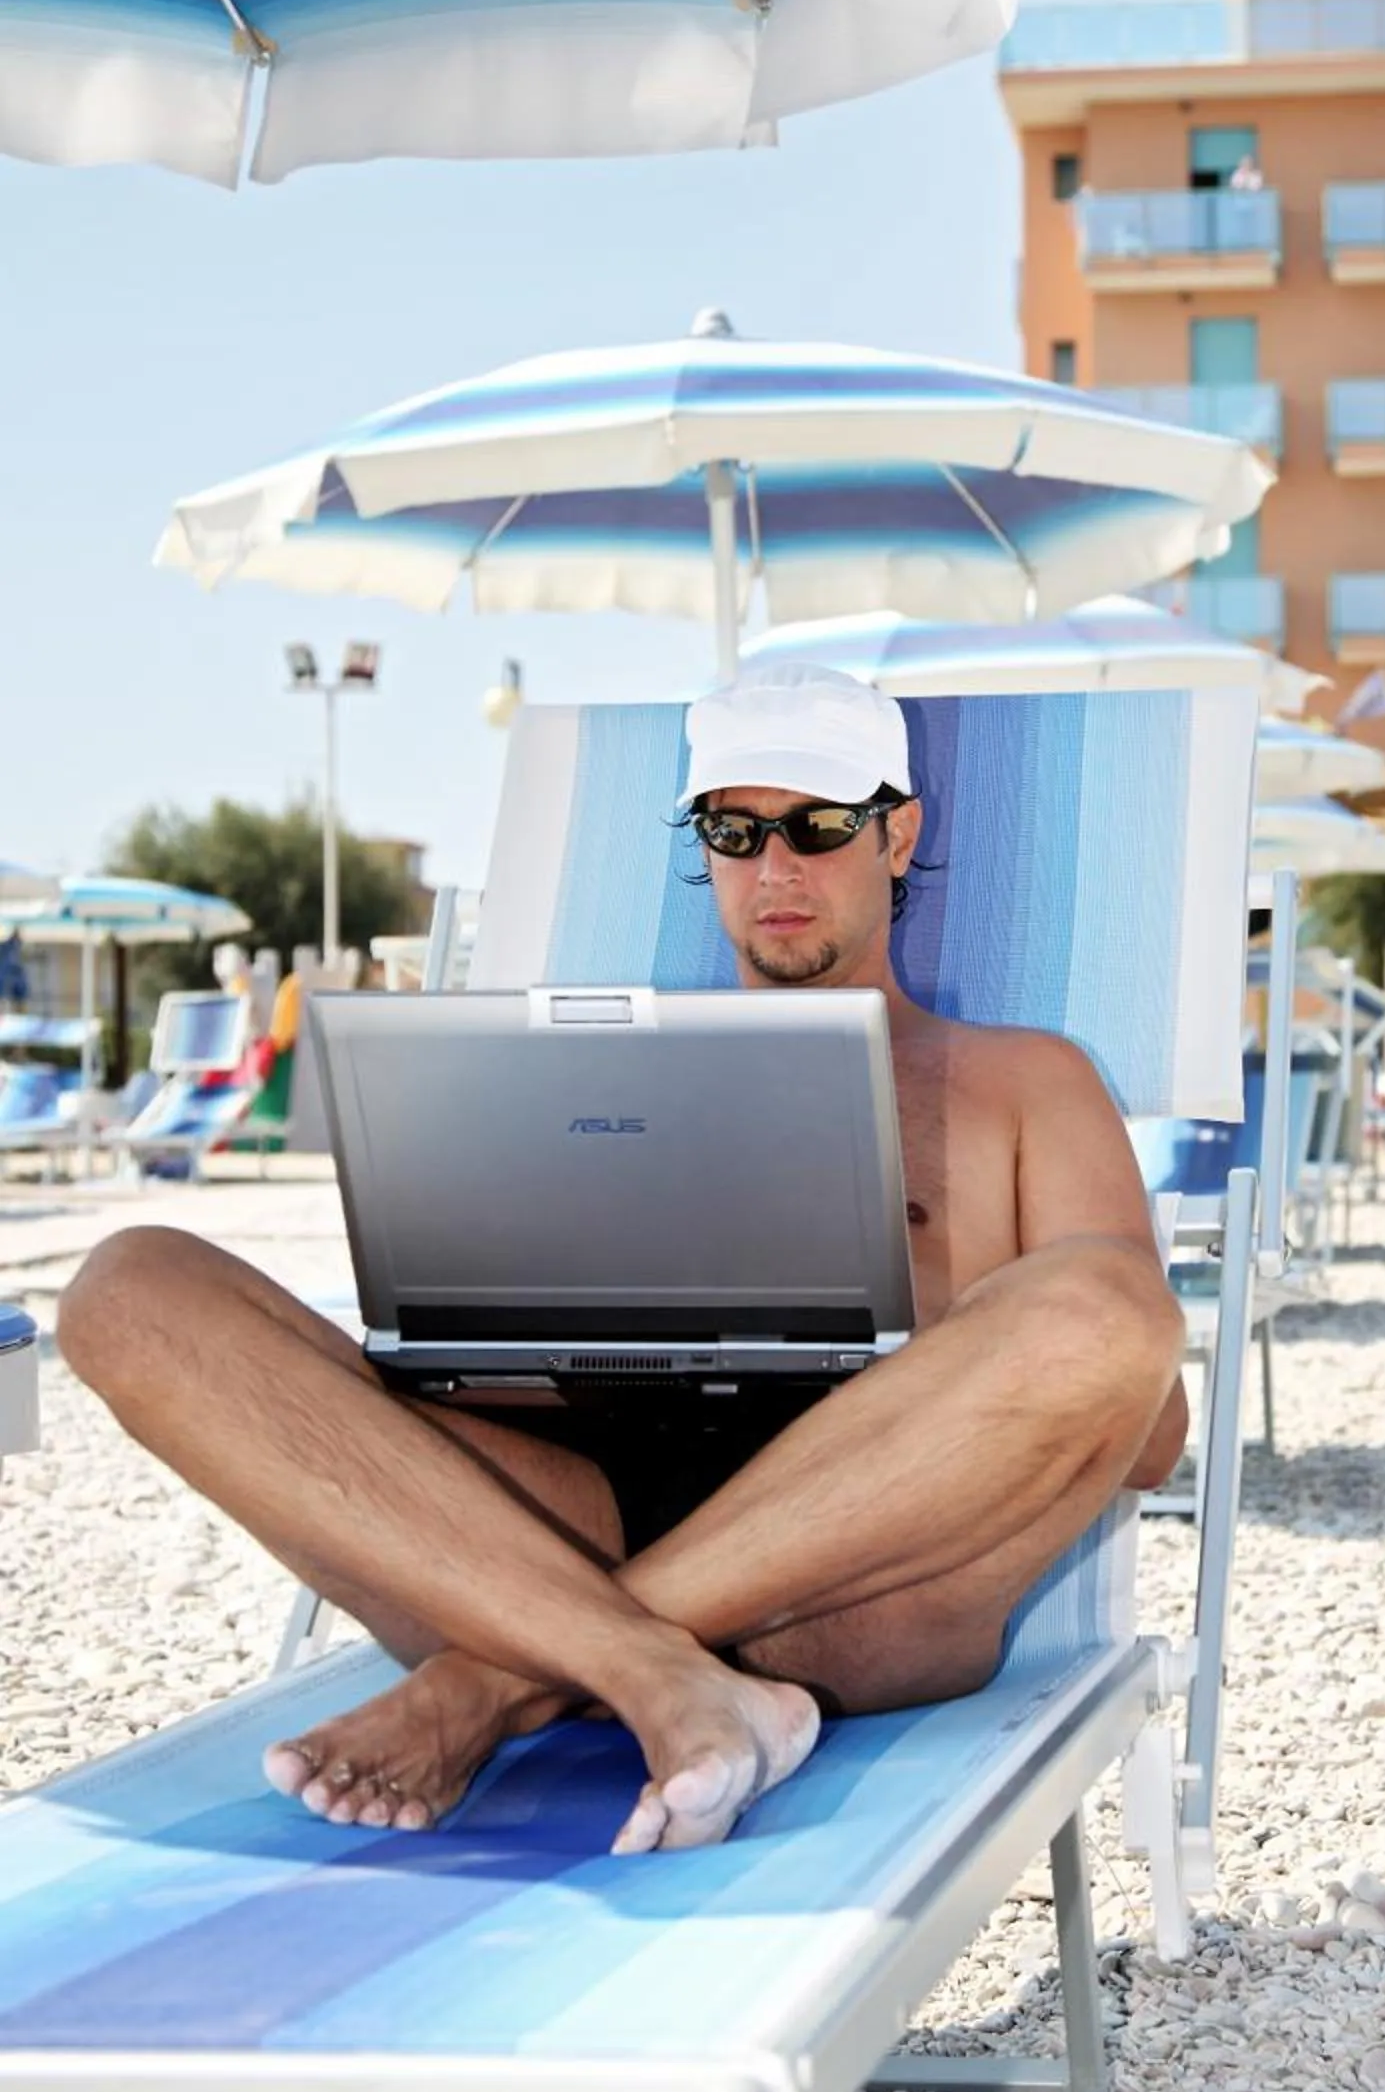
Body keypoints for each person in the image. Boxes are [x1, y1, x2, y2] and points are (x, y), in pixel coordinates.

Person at [57, 665, 1189, 1857]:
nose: (775, 869)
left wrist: (936, 1372)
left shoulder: (1024, 1081)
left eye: (816, 826)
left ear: (896, 836)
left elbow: (1144, 1425)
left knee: (1105, 1308)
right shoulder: (567, 1073)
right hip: (553, 1528)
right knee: (130, 1288)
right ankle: (653, 1673)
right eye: (734, 833)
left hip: (854, 1586)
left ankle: (498, 1687)